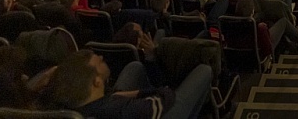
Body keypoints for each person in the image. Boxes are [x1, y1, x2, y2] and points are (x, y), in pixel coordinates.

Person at [47, 49, 212, 119]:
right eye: (99, 62)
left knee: (135, 67)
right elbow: (165, 98)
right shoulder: (121, 110)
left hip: (111, 103)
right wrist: (160, 90)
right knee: (204, 70)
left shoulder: (65, 105)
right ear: (97, 81)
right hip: (161, 109)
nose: (102, 58)